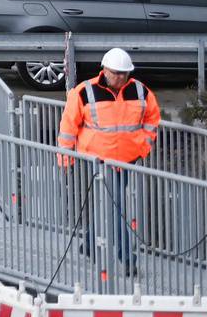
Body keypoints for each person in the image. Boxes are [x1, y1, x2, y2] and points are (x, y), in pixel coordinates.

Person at [59, 47, 160, 272]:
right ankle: (127, 259)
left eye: (124, 73)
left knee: (111, 204)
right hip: (96, 160)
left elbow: (153, 118)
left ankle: (88, 246)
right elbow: (68, 128)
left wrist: (143, 146)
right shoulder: (84, 92)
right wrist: (66, 160)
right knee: (117, 206)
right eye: (116, 72)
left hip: (126, 161)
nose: (120, 77)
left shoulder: (140, 91)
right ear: (104, 69)